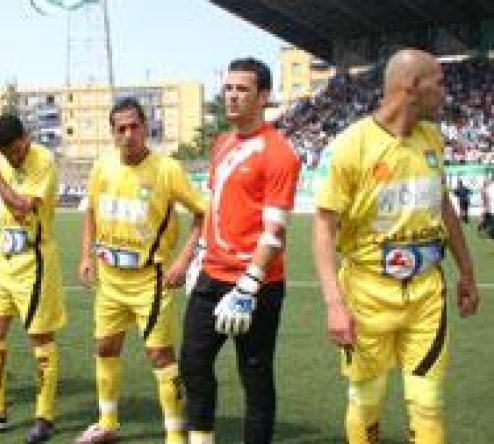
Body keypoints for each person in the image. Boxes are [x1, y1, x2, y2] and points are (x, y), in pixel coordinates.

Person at [313, 49, 480, 444]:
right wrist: (334, 304)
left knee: (427, 402)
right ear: (412, 85)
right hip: (367, 294)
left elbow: (443, 206)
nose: (445, 92)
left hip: (426, 293)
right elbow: (323, 227)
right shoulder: (351, 146)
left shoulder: (432, 138)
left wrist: (467, 273)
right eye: (439, 82)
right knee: (366, 399)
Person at [179, 58, 301, 444]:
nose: (232, 96)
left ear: (263, 97)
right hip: (211, 276)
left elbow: (274, 232)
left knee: (255, 375)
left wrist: (249, 286)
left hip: (256, 284)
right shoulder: (221, 143)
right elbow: (214, 207)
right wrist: (199, 254)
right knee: (192, 364)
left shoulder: (279, 153)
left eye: (242, 89)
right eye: (228, 88)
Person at [75, 98, 205, 444]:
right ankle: (107, 424)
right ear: (112, 133)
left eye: (135, 126)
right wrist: (86, 256)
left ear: (146, 128)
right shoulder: (102, 166)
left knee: (160, 356)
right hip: (109, 279)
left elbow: (203, 213)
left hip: (150, 280)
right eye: (121, 129)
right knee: (105, 348)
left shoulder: (167, 169)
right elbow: (90, 212)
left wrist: (184, 260)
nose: (129, 134)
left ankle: (175, 435)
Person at [0, 114, 65, 444]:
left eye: (17, 150)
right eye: (6, 153)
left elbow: (21, 208)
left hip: (34, 261)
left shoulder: (43, 160)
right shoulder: (0, 158)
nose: (13, 157)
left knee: (40, 337)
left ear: (26, 137)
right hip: (4, 259)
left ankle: (44, 417)